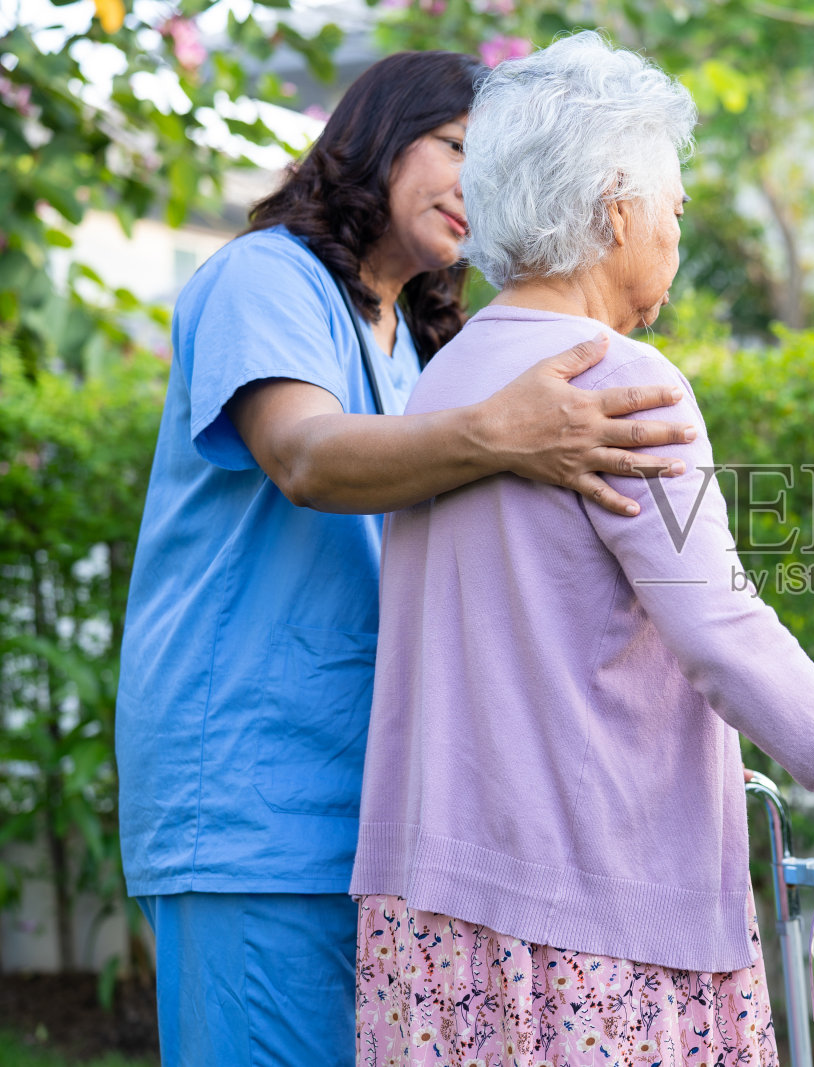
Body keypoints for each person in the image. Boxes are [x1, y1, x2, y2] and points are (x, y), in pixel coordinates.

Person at [349, 32, 814, 1066]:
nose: (677, 233)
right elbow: (718, 625)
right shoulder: (620, 378)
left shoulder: (451, 378)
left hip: (433, 911)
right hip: (590, 917)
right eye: (675, 208)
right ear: (615, 209)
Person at [115, 50, 698, 1067]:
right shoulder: (264, 278)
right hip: (256, 802)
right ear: (377, 135)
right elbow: (303, 454)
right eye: (459, 150)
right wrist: (503, 430)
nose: (478, 189)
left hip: (388, 812)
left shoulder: (416, 339)